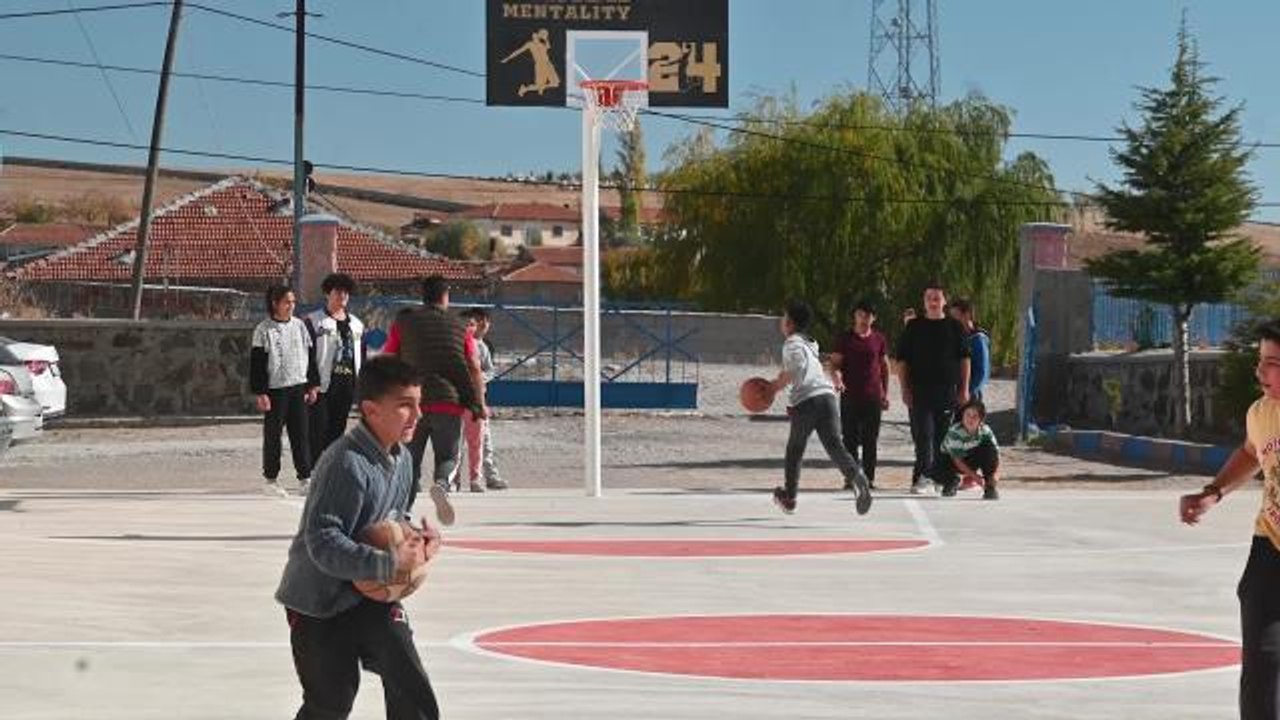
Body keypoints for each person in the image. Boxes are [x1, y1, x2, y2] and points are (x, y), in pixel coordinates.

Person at [275, 355, 443, 720]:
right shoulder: (346, 462)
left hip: (369, 595)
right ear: (370, 409)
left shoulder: (403, 460)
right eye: (404, 406)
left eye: (419, 404)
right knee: (331, 702)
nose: (417, 415)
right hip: (317, 602)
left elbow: (391, 520)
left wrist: (416, 539)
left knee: (410, 686)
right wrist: (387, 564)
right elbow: (323, 539)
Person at [1181, 320, 1280, 719]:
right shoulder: (1262, 412)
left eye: (1272, 363)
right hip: (1270, 545)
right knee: (1260, 666)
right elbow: (1251, 451)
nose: (1260, 372)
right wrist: (1214, 492)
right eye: (1261, 361)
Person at [382, 276, 487, 526]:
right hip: (449, 402)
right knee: (448, 457)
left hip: (412, 404)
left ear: (423, 296)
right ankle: (441, 484)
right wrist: (478, 402)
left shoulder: (404, 322)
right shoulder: (461, 326)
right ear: (445, 296)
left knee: (408, 462)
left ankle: (403, 515)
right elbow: (473, 366)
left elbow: (388, 357)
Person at [768, 300, 872, 516]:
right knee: (835, 446)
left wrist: (773, 387)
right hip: (827, 397)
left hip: (807, 402)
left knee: (795, 450)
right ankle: (857, 476)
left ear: (789, 323)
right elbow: (804, 368)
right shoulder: (810, 343)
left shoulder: (792, 343)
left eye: (784, 317)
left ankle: (790, 497)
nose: (782, 321)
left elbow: (796, 368)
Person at [897, 282, 971, 495]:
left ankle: (941, 477)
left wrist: (964, 389)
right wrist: (904, 388)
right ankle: (923, 477)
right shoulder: (913, 327)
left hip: (947, 391)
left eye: (937, 298)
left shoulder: (955, 327)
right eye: (929, 298)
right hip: (919, 391)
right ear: (924, 301)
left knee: (941, 438)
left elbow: (965, 359)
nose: (933, 302)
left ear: (944, 302)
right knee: (924, 435)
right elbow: (902, 361)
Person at [250, 285, 319, 497]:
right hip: (275, 390)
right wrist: (261, 393)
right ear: (275, 304)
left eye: (293, 302)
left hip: (298, 386)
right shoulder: (263, 330)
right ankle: (270, 479)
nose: (291, 306)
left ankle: (305, 478)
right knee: (273, 436)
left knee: (301, 435)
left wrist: (312, 384)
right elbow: (257, 365)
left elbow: (310, 355)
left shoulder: (300, 326)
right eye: (287, 302)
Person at [305, 273, 365, 466]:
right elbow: (307, 355)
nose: (342, 296)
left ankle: (330, 470)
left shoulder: (357, 324)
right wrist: (310, 384)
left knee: (337, 430)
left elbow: (361, 356)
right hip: (321, 385)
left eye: (346, 293)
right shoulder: (314, 321)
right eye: (338, 292)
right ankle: (312, 471)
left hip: (346, 384)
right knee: (317, 430)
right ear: (327, 294)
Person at [830, 300, 890, 490]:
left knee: (870, 439)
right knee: (849, 439)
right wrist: (837, 380)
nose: (864, 319)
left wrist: (885, 393)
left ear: (874, 318)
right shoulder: (845, 338)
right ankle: (851, 478)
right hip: (850, 396)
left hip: (872, 396)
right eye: (860, 315)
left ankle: (869, 479)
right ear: (855, 316)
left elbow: (884, 367)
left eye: (868, 315)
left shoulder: (879, 339)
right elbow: (835, 364)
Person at [457, 308, 507, 492]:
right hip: (457, 400)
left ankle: (484, 477)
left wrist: (479, 380)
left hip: (477, 401)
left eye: (485, 321)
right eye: (478, 321)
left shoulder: (483, 346)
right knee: (456, 444)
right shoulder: (455, 344)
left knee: (482, 441)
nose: (483, 324)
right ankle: (453, 479)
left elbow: (488, 370)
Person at [935, 399, 1000, 500]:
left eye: (975, 416)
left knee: (989, 448)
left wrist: (995, 474)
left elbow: (996, 456)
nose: (970, 419)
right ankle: (952, 481)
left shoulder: (985, 431)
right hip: (950, 461)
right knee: (935, 470)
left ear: (981, 419)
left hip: (970, 457)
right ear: (962, 416)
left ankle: (990, 487)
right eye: (968, 415)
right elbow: (957, 460)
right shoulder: (955, 432)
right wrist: (976, 478)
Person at [949, 298, 991, 403]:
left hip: (970, 397)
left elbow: (982, 373)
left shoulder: (978, 339)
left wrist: (967, 392)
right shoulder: (958, 337)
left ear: (967, 315)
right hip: (956, 395)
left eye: (955, 316)